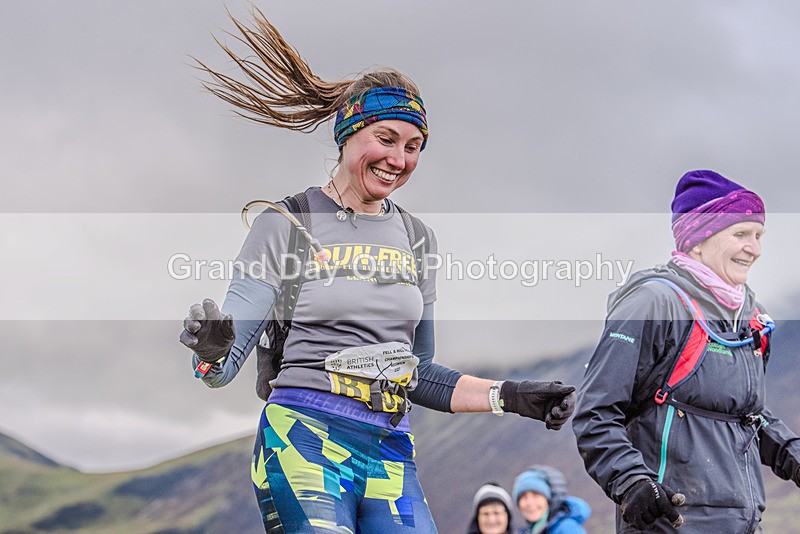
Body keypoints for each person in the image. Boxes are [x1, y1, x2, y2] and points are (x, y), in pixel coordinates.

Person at [179, 7, 578, 533]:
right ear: (348, 135)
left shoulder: (417, 239)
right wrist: (210, 348)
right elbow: (221, 366)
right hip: (304, 435)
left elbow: (415, 373)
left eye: (414, 147)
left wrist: (510, 396)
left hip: (390, 446)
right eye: (386, 139)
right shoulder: (287, 223)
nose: (400, 159)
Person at [572, 169, 800, 532]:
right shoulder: (653, 303)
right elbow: (594, 410)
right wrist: (631, 481)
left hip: (743, 522)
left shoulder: (750, 318)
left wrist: (793, 453)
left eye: (758, 235)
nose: (754, 248)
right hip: (671, 522)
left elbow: (748, 416)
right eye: (740, 234)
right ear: (698, 240)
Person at [512, 466, 590, 534]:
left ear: (548, 500)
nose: (529, 503)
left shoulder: (566, 528)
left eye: (536, 495)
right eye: (524, 497)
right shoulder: (533, 530)